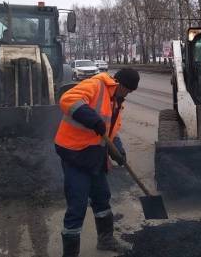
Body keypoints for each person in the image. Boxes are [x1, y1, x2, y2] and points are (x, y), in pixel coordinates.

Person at [54, 69, 140, 256]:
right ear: (120, 85)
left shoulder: (116, 103)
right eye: (128, 90)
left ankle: (105, 240)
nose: (127, 95)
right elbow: (68, 99)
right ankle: (70, 253)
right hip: (74, 154)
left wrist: (118, 151)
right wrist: (92, 119)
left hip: (95, 156)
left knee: (102, 198)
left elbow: (109, 132)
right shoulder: (96, 84)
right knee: (77, 204)